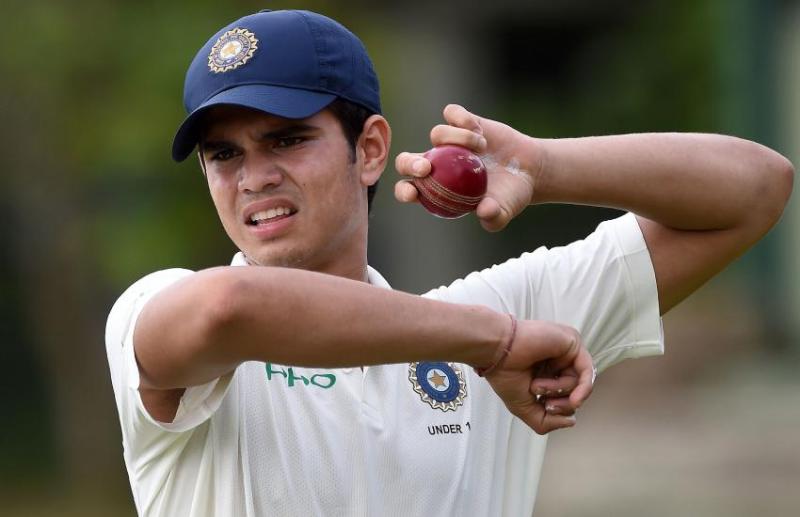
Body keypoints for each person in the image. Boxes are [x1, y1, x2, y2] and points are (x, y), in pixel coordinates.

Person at [104, 8, 793, 517]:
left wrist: (542, 165)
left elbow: (756, 186)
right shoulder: (159, 308)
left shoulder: (489, 318)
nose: (253, 176)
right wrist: (492, 342)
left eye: (285, 139)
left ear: (371, 148)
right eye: (223, 154)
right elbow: (232, 309)